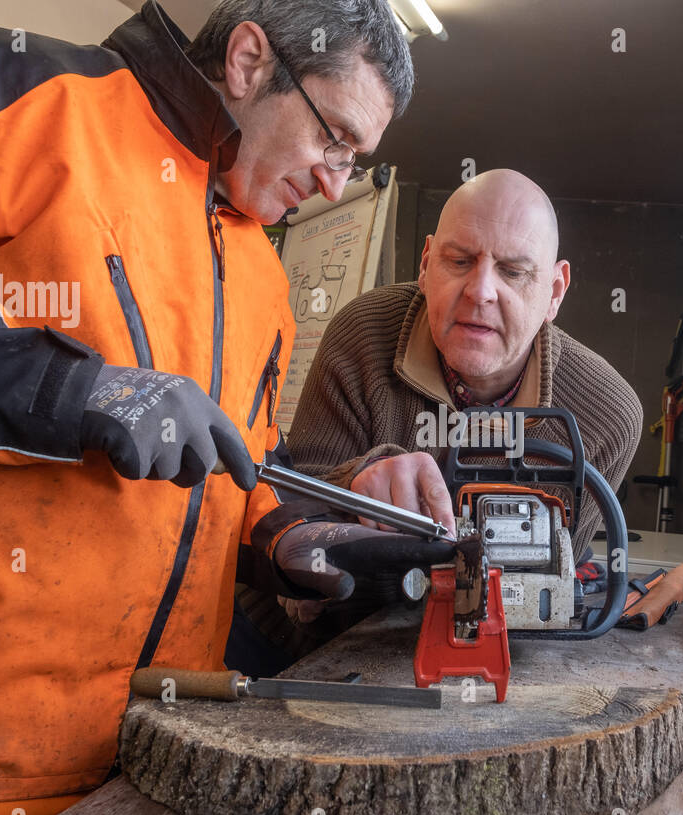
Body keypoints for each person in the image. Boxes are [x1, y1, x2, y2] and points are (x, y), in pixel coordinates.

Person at [0, 0, 445, 815]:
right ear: (251, 61)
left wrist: (288, 539)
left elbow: (229, 481)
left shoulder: (263, 278)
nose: (337, 181)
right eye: (333, 136)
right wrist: (76, 391)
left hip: (163, 765)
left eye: (357, 158)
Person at [236, 169, 643, 662]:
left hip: (471, 660)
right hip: (293, 645)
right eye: (459, 260)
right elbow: (285, 506)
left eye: (513, 271)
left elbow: (540, 601)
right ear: (426, 263)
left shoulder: (607, 416)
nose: (480, 291)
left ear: (555, 291)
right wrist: (354, 483)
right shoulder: (363, 336)